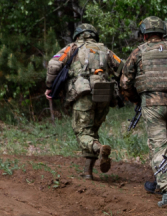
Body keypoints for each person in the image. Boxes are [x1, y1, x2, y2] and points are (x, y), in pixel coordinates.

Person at [119, 16, 167, 208]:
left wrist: (135, 98)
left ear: (144, 34)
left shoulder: (139, 52)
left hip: (152, 106)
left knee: (158, 147)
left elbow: (124, 82)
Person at [45, 23, 123, 179]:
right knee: (92, 132)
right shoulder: (106, 51)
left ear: (78, 35)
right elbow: (123, 68)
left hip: (83, 92)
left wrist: (49, 86)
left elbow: (54, 64)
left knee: (82, 132)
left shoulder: (73, 48)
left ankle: (98, 148)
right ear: (94, 35)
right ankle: (87, 172)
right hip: (105, 94)